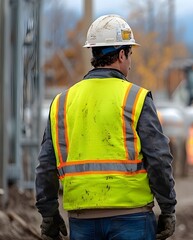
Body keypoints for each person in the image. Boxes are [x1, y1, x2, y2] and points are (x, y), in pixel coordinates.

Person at [35, 14, 176, 240]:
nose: (130, 62)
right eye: (130, 55)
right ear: (121, 55)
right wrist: (168, 209)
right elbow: (159, 159)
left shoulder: (62, 102)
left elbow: (46, 166)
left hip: (82, 220)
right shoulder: (135, 98)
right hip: (132, 217)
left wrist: (49, 213)